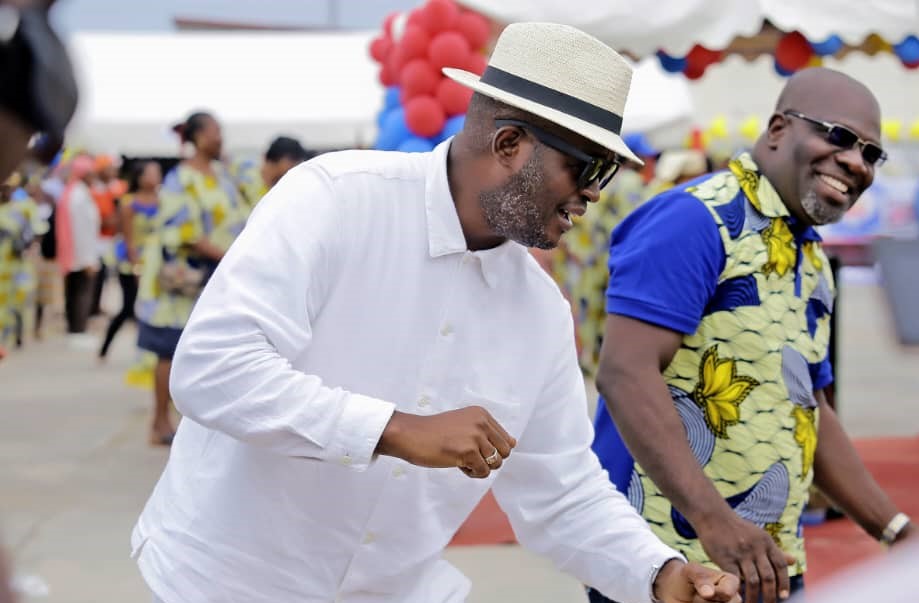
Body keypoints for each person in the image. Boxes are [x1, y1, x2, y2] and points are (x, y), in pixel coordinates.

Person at [132, 23, 741, 603]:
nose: (594, 193)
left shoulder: (540, 312)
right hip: (227, 582)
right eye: (587, 168)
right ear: (509, 145)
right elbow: (213, 368)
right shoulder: (335, 200)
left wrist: (657, 573)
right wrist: (393, 429)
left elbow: (561, 490)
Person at [589, 67, 915, 603]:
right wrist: (714, 521)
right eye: (838, 136)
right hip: (666, 566)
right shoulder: (695, 219)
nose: (856, 162)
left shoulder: (810, 258)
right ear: (779, 129)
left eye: (871, 154)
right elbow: (626, 374)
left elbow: (808, 410)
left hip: (766, 564)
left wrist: (896, 531)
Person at [134, 111, 247, 446]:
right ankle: (159, 421)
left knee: (208, 349)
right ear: (197, 137)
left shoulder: (222, 175)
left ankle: (198, 426)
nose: (220, 137)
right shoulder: (180, 178)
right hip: (184, 279)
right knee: (170, 349)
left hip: (217, 276)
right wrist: (227, 258)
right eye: (215, 131)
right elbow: (183, 232)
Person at [98, 160, 161, 359]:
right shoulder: (129, 203)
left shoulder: (163, 200)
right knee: (128, 307)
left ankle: (149, 352)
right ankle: (104, 348)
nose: (154, 177)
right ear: (139, 178)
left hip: (156, 263)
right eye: (150, 173)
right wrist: (137, 267)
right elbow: (129, 239)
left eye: (157, 173)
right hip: (132, 263)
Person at [55, 154, 100, 345]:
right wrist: (87, 259)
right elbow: (81, 231)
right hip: (81, 256)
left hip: (78, 255)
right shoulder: (78, 195)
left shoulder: (75, 192)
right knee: (81, 293)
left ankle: (76, 330)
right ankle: (77, 331)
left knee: (74, 292)